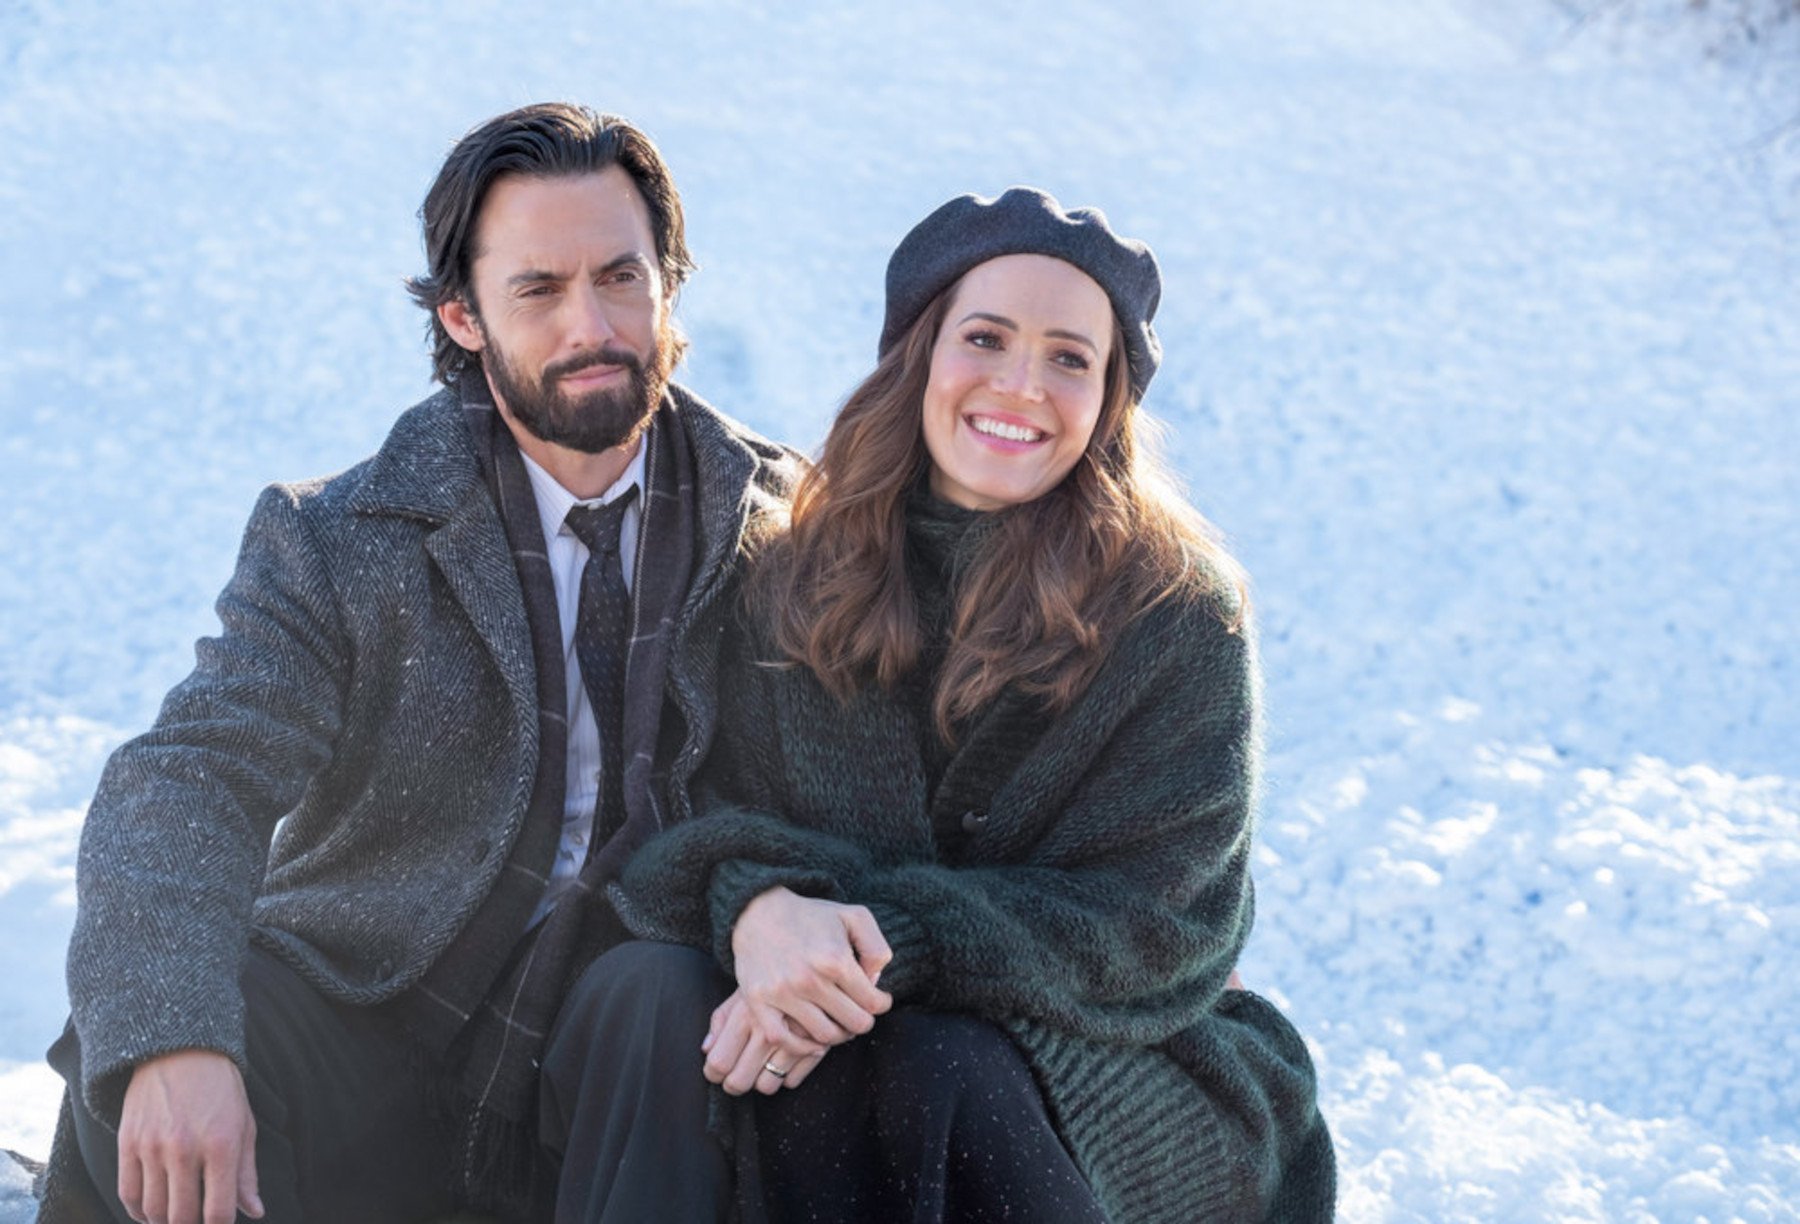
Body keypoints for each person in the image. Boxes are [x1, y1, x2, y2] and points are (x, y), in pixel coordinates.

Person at [38, 103, 798, 1224]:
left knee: (662, 991)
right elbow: (189, 776)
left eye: (621, 277)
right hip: (377, 1013)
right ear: (465, 316)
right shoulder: (345, 536)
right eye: (538, 289)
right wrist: (173, 1041)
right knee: (166, 1045)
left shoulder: (792, 532)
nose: (592, 324)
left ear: (668, 287)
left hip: (625, 1083)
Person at [608, 187, 1338, 1221]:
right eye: (986, 338)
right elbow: (707, 818)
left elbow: (1159, 923)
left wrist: (875, 945)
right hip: (859, 1044)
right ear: (917, 354)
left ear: (1110, 398)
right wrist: (762, 908)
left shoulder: (1176, 612)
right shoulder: (788, 579)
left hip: (1128, 1050)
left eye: (1070, 358)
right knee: (788, 1056)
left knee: (925, 1062)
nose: (1021, 384)